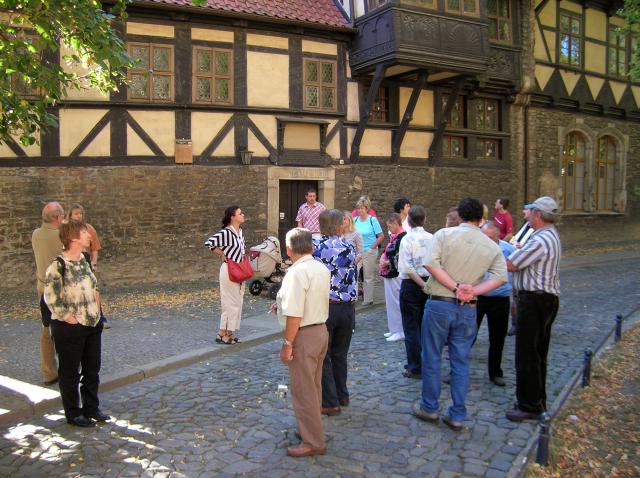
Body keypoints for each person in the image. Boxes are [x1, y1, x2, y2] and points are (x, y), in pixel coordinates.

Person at [413, 197, 506, 431]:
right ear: (481, 218)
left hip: (440, 304)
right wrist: (472, 290)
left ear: (461, 215)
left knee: (432, 355)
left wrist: (455, 288)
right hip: (468, 307)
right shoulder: (491, 246)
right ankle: (457, 413)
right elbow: (500, 278)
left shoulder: (444, 235)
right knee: (461, 360)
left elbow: (431, 265)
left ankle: (430, 406)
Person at [44, 220, 109, 427]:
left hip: (92, 324)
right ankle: (73, 414)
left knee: (92, 370)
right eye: (84, 232)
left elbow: (95, 287)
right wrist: (70, 319)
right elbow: (51, 297)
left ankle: (91, 408)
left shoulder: (85, 259)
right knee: (70, 373)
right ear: (73, 238)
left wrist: (98, 313)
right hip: (69, 328)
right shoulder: (58, 265)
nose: (89, 235)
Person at [274, 227, 330, 457]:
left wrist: (287, 343)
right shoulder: (320, 267)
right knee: (313, 386)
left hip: (304, 335)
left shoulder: (296, 273)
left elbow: (296, 314)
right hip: (320, 330)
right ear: (311, 246)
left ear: (288, 249)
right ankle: (309, 429)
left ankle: (313, 441)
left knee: (303, 389)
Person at [505, 196, 561, 422]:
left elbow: (512, 264)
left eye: (529, 211)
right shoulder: (546, 235)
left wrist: (496, 252)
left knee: (528, 354)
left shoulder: (541, 240)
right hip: (543, 300)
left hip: (535, 301)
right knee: (537, 353)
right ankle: (537, 399)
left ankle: (529, 405)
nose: (525, 214)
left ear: (538, 215)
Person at [313, 209, 358, 415]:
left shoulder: (318, 248)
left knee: (325, 356)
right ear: (338, 225)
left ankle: (330, 401)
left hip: (327, 306)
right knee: (341, 354)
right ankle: (342, 394)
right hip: (348, 308)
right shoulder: (349, 247)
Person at [475, 221, 515, 387]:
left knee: (497, 338)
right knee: (467, 335)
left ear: (497, 237)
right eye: (483, 237)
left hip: (500, 298)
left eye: (490, 237)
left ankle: (495, 372)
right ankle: (455, 370)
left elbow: (515, 270)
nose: (486, 240)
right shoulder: (476, 249)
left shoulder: (507, 249)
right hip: (478, 297)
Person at [397, 205, 432, 378]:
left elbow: (407, 267)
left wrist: (421, 285)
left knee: (411, 328)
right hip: (427, 282)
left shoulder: (407, 239)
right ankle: (425, 362)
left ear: (409, 221)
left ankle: (414, 366)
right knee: (423, 326)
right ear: (424, 219)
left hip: (412, 284)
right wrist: (427, 285)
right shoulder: (432, 238)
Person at [32, 201, 64, 386]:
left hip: (41, 288)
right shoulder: (60, 235)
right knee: (65, 328)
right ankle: (69, 368)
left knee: (46, 329)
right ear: (58, 217)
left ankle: (48, 372)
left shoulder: (36, 234)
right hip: (58, 289)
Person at [204, 205, 247, 345]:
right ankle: (225, 334)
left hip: (239, 270)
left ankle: (225, 332)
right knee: (230, 303)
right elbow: (209, 243)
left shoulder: (240, 232)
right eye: (240, 213)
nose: (243, 215)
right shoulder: (226, 233)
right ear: (232, 217)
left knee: (237, 302)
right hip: (229, 270)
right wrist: (222, 254)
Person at [379, 213, 406, 342]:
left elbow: (401, 256)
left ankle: (400, 331)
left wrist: (387, 262)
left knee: (396, 302)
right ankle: (393, 329)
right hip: (389, 273)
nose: (389, 228)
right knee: (390, 303)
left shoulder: (403, 237)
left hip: (395, 273)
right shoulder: (395, 236)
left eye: (390, 226)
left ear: (396, 224)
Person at [353, 196, 384, 305]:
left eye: (362, 208)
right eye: (359, 208)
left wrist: (372, 248)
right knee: (353, 272)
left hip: (369, 251)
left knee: (367, 275)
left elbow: (381, 236)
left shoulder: (372, 220)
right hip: (358, 251)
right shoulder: (355, 220)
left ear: (367, 209)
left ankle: (368, 299)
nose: (360, 210)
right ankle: (354, 296)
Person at [67, 204, 101, 269]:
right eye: (76, 214)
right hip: (71, 265)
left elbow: (95, 248)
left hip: (87, 264)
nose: (79, 216)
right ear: (70, 216)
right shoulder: (66, 229)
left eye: (80, 213)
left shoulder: (89, 228)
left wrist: (94, 263)